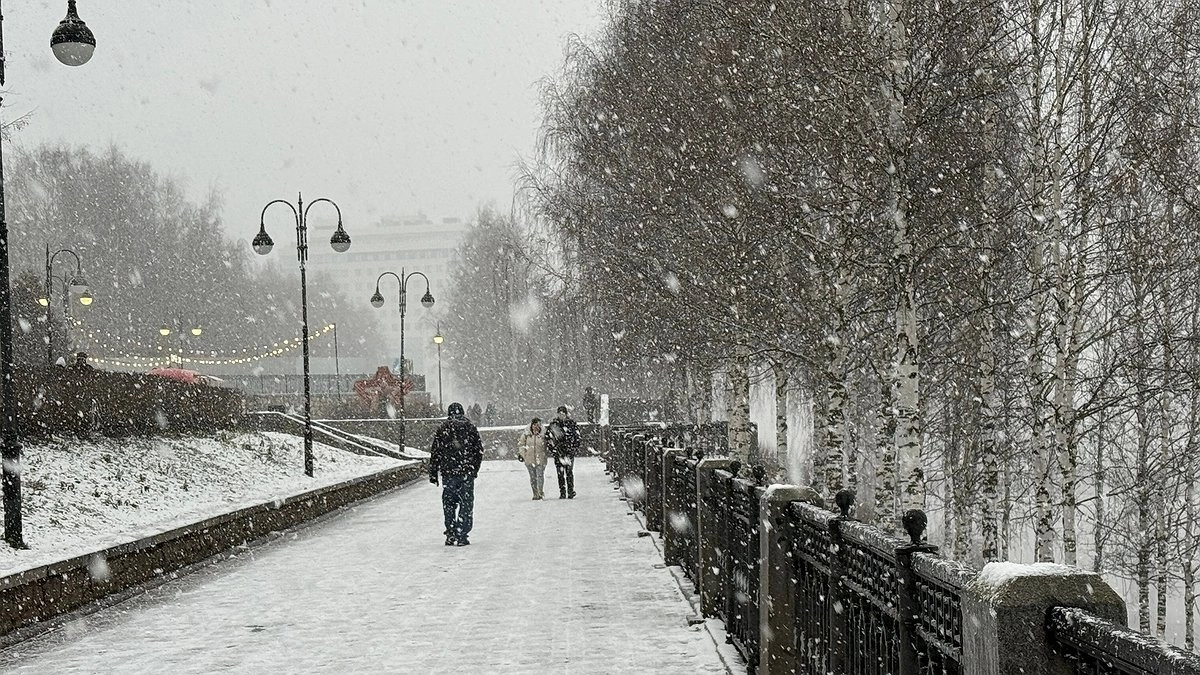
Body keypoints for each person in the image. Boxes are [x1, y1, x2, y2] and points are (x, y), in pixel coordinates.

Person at [429, 402, 484, 546]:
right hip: (465, 472)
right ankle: (462, 533)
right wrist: (473, 470)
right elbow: (478, 451)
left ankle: (451, 532)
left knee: (449, 504)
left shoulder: (443, 429)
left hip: (448, 473)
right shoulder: (470, 428)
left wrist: (434, 472)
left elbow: (435, 452)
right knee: (466, 504)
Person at [545, 405, 581, 499]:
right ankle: (563, 492)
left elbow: (577, 437)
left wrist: (573, 448)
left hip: (568, 452)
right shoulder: (554, 425)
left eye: (563, 414)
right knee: (560, 473)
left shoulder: (570, 424)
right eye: (560, 413)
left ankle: (570, 490)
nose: (561, 415)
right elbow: (548, 438)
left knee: (569, 472)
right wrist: (553, 450)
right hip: (559, 452)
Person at [517, 417, 547, 500]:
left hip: (540, 459)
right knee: (533, 477)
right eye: (534, 425)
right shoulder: (526, 434)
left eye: (538, 425)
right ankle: (535, 493)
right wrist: (523, 455)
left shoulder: (544, 435)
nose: (536, 427)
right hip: (529, 459)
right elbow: (521, 445)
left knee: (540, 476)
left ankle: (540, 492)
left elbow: (547, 446)